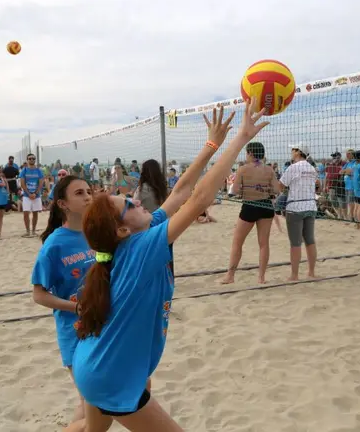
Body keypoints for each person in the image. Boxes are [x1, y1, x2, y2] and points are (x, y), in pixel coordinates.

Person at [64, 103, 267, 431]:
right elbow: (199, 199)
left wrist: (211, 145)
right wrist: (240, 139)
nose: (136, 200)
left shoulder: (137, 236)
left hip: (97, 365)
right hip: (107, 374)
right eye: (128, 205)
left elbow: (181, 191)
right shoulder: (143, 246)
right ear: (121, 230)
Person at [31, 175, 94, 427]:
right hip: (74, 332)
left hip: (103, 325)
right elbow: (39, 294)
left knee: (91, 404)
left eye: (89, 191)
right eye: (79, 193)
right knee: (90, 404)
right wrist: (76, 306)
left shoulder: (97, 232)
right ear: (62, 204)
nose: (88, 196)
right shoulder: (54, 245)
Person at [221, 142, 280, 285]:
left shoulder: (243, 169)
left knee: (237, 242)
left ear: (251, 154)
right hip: (265, 206)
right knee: (264, 244)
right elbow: (276, 190)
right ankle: (261, 278)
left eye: (247, 153)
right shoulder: (269, 169)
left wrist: (243, 190)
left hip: (249, 206)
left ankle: (230, 276)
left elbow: (234, 191)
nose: (246, 156)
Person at [279, 142, 318, 281]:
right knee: (310, 240)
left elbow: (280, 186)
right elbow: (316, 185)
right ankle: (311, 272)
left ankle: (294, 275)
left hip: (295, 208)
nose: (291, 151)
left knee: (295, 243)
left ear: (298, 152)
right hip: (311, 206)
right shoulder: (312, 168)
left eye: (293, 149)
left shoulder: (292, 168)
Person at [20, 153, 45, 237]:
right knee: (26, 213)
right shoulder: (24, 170)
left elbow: (41, 183)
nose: (31, 160)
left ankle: (33, 231)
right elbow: (22, 184)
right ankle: (27, 231)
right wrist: (29, 194)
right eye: (30, 158)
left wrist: (35, 193)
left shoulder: (39, 171)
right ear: (27, 160)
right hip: (27, 195)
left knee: (35, 213)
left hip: (36, 195)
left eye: (33, 158)